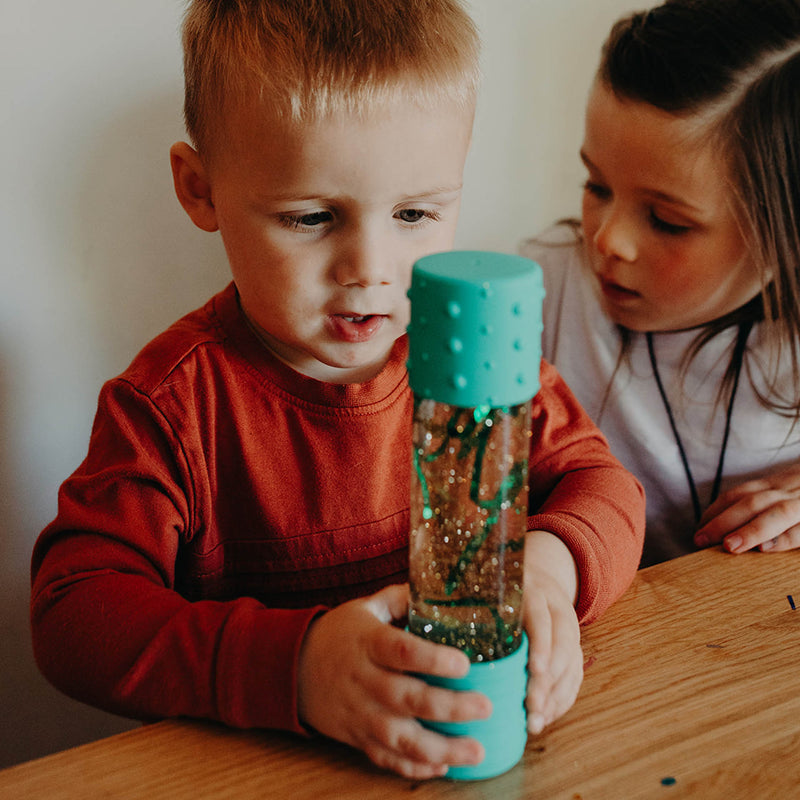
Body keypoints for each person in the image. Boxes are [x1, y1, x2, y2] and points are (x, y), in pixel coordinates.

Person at [30, 0, 644, 780]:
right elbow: (73, 613)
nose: (372, 267)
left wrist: (550, 569)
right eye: (314, 216)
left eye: (415, 212)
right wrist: (298, 667)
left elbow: (606, 487)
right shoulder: (172, 405)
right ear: (200, 189)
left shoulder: (473, 355)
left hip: (481, 751)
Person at [522, 0, 800, 568]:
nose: (609, 240)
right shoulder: (542, 290)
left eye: (667, 221)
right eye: (597, 186)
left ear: (784, 231)